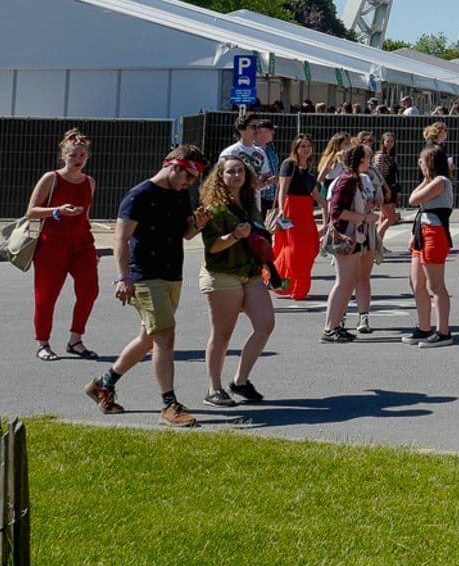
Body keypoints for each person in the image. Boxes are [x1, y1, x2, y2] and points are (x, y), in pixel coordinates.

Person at [85, 146, 210, 427]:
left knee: (148, 338)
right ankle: (169, 405)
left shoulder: (180, 195)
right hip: (144, 276)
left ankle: (103, 384)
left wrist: (199, 224)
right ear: (174, 166)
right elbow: (119, 239)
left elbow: (186, 233)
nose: (190, 183)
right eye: (189, 176)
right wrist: (123, 276)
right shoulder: (139, 195)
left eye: (194, 178)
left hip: (171, 274)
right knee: (165, 337)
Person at [196, 157, 275, 407]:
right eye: (230, 171)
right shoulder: (214, 206)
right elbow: (213, 245)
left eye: (240, 170)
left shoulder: (249, 202)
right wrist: (234, 235)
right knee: (222, 334)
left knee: (265, 324)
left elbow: (256, 234)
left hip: (250, 272)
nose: (236, 175)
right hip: (222, 273)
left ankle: (240, 381)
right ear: (220, 176)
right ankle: (214, 388)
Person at [28, 129, 100, 362]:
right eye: (73, 156)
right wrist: (57, 210)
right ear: (63, 156)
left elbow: (86, 216)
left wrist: (94, 246)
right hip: (52, 244)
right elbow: (31, 211)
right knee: (46, 296)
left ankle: (75, 340)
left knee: (90, 291)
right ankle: (43, 343)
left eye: (82, 156)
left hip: (82, 244)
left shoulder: (89, 182)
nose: (78, 160)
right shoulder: (52, 178)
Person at [321, 144, 379, 342]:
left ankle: (335, 325)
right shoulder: (347, 181)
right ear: (359, 160)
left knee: (349, 282)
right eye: (367, 158)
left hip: (353, 236)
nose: (369, 161)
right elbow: (336, 212)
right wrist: (364, 218)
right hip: (347, 236)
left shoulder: (354, 180)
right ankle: (331, 328)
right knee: (344, 283)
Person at [402, 143, 457, 347]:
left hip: (434, 233)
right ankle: (424, 327)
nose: (420, 164)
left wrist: (426, 177)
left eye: (422, 161)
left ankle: (444, 332)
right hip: (422, 231)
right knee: (416, 283)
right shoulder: (431, 181)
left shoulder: (441, 181)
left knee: (436, 285)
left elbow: (414, 199)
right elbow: (417, 202)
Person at [271, 134, 322, 300]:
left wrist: (331, 208)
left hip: (306, 211)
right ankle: (291, 284)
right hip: (291, 208)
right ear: (296, 148)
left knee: (312, 246)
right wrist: (281, 210)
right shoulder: (289, 164)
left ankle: (293, 282)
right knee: (293, 248)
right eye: (302, 146)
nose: (306, 149)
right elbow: (282, 189)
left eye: (308, 146)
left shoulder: (308, 168)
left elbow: (315, 194)